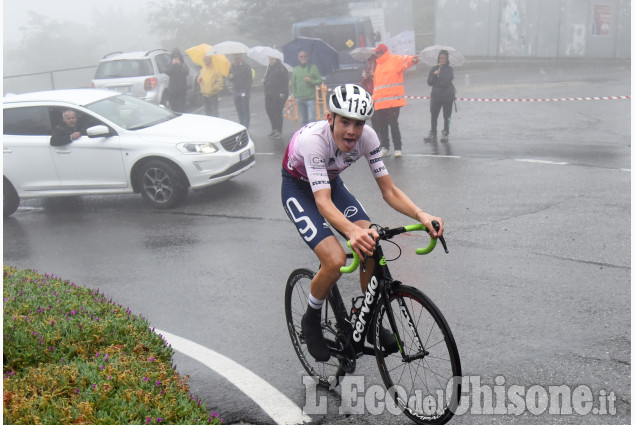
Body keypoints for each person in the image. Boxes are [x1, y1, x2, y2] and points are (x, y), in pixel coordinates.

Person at [280, 84, 444, 362]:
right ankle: (311, 317)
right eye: (345, 122)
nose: (352, 131)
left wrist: (422, 214)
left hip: (330, 183)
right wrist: (352, 232)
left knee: (370, 242)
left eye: (358, 123)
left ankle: (366, 323)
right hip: (299, 188)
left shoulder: (368, 137)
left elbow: (389, 190)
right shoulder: (314, 141)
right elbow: (322, 202)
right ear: (330, 118)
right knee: (333, 259)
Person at [371, 44, 419, 158]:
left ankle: (397, 148)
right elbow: (377, 86)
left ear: (382, 52)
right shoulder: (377, 65)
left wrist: (413, 59)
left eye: (377, 52)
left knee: (393, 125)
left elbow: (407, 60)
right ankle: (385, 148)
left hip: (393, 102)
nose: (376, 55)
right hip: (380, 102)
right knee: (382, 126)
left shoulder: (394, 60)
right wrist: (373, 100)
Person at [424, 50, 455, 143]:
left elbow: (447, 81)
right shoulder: (434, 69)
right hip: (436, 96)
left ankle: (445, 132)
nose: (442, 60)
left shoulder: (449, 69)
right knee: (434, 115)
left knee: (447, 116)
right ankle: (433, 133)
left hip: (447, 97)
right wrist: (434, 75)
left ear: (447, 59)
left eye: (444, 58)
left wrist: (440, 74)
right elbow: (429, 82)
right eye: (440, 58)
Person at [290, 50, 322, 125]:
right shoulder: (296, 69)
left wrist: (311, 81)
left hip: (310, 98)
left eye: (305, 56)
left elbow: (319, 80)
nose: (303, 58)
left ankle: (313, 135)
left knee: (311, 119)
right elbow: (293, 83)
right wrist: (295, 94)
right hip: (299, 99)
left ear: (308, 57)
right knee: (304, 120)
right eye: (301, 56)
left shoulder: (313, 67)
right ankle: (305, 135)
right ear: (298, 58)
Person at [263, 56, 289, 139]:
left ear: (276, 59)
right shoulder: (269, 68)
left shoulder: (281, 68)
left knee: (277, 112)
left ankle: (279, 130)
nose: (270, 60)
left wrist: (282, 92)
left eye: (272, 59)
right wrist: (264, 81)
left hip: (278, 94)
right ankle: (274, 128)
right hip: (269, 94)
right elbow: (268, 81)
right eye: (269, 59)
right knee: (269, 111)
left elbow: (285, 82)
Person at [228, 53, 253, 128]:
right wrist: (230, 77)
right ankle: (242, 126)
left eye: (238, 55)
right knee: (239, 110)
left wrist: (245, 91)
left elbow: (250, 80)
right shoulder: (232, 67)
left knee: (245, 110)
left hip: (244, 91)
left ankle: (246, 127)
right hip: (236, 91)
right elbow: (229, 78)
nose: (236, 57)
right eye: (235, 55)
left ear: (241, 56)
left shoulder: (246, 66)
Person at [165, 48, 189, 113]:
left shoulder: (183, 64)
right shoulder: (170, 64)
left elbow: (186, 72)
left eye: (177, 57)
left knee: (182, 107)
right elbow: (167, 72)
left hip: (182, 90)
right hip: (173, 90)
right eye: (174, 57)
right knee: (174, 108)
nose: (176, 58)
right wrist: (173, 65)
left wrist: (179, 65)